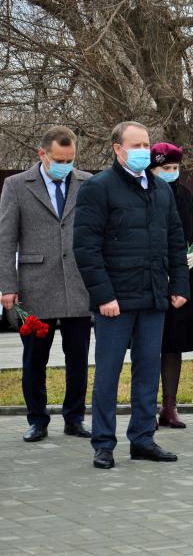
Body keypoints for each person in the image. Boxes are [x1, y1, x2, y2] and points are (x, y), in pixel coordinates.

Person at [73, 121, 190, 470]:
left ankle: (142, 439)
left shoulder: (160, 188)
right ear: (118, 149)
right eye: (136, 144)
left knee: (147, 372)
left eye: (147, 144)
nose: (144, 150)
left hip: (153, 298)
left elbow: (174, 239)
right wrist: (104, 296)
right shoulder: (98, 188)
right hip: (115, 303)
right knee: (108, 375)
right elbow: (86, 247)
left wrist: (178, 285)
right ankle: (104, 444)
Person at [0, 126, 93, 443]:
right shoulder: (16, 186)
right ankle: (37, 420)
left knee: (78, 358)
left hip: (78, 287)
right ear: (42, 154)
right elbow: (5, 240)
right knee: (34, 359)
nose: (66, 164)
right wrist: (7, 286)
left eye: (70, 159)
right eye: (59, 159)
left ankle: (75, 418)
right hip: (35, 286)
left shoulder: (87, 183)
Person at [148, 142, 193, 429]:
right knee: (149, 344)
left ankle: (169, 405)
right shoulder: (145, 193)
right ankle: (146, 404)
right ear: (153, 169)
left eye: (175, 168)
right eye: (166, 168)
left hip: (184, 280)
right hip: (153, 280)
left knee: (175, 344)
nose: (172, 173)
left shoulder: (184, 195)